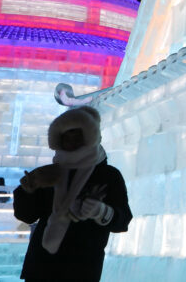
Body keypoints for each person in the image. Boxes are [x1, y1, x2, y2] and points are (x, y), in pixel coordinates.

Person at [13, 106, 131, 282]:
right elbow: (27, 215)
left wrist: (102, 212)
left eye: (78, 137)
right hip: (41, 266)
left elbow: (123, 220)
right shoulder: (50, 172)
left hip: (82, 269)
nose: (72, 143)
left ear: (90, 137)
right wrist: (27, 191)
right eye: (66, 138)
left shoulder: (108, 176)